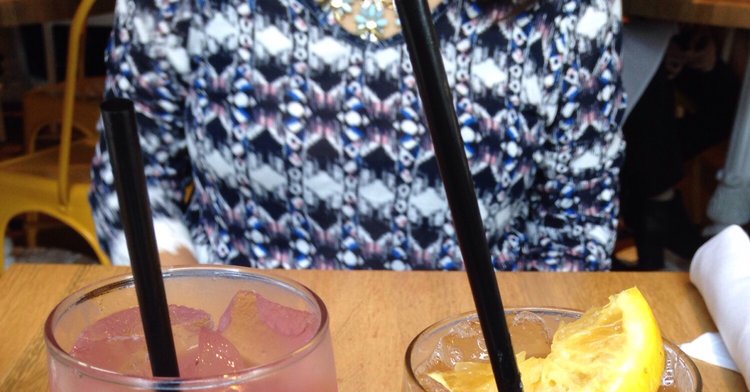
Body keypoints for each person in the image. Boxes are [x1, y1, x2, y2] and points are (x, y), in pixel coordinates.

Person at [90, 0, 625, 271]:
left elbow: (577, 226)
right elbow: (131, 175)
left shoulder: (571, 10)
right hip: (235, 364)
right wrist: (191, 332)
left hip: (474, 371)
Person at [619, 25, 740, 270]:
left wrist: (697, 46)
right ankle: (659, 205)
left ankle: (644, 195)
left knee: (729, 97)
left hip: (661, 32)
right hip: (617, 40)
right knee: (649, 77)